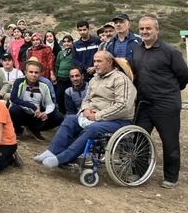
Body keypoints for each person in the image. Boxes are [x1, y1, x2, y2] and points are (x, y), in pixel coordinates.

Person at [35, 51, 136, 168]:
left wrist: (97, 116)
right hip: (95, 117)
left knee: (93, 128)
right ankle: (51, 151)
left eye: (99, 61)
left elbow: (123, 106)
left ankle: (63, 158)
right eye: (94, 61)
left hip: (117, 121)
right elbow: (87, 99)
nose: (96, 64)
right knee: (70, 119)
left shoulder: (120, 80)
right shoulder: (94, 80)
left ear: (110, 62)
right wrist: (85, 109)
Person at [132, 15, 188, 188]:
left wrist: (168, 92)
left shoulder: (170, 51)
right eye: (142, 28)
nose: (145, 31)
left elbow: (184, 76)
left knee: (169, 141)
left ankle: (171, 177)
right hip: (144, 104)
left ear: (157, 30)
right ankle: (138, 172)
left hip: (166, 104)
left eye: (148, 28)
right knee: (139, 138)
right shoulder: (137, 49)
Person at [9, 58, 63, 140]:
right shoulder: (19, 82)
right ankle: (18, 130)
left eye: (36, 72)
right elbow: (13, 98)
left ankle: (34, 129)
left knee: (58, 117)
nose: (33, 75)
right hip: (23, 112)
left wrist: (46, 113)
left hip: (37, 115)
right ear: (26, 72)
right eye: (31, 72)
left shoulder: (44, 85)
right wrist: (32, 107)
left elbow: (50, 103)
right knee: (13, 110)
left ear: (40, 74)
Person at [54, 35, 74, 114]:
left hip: (70, 78)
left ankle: (69, 111)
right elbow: (57, 64)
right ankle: (62, 112)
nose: (66, 43)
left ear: (72, 42)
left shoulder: (74, 52)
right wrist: (57, 75)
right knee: (59, 95)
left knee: (69, 95)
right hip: (60, 77)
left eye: (68, 41)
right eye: (64, 42)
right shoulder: (60, 53)